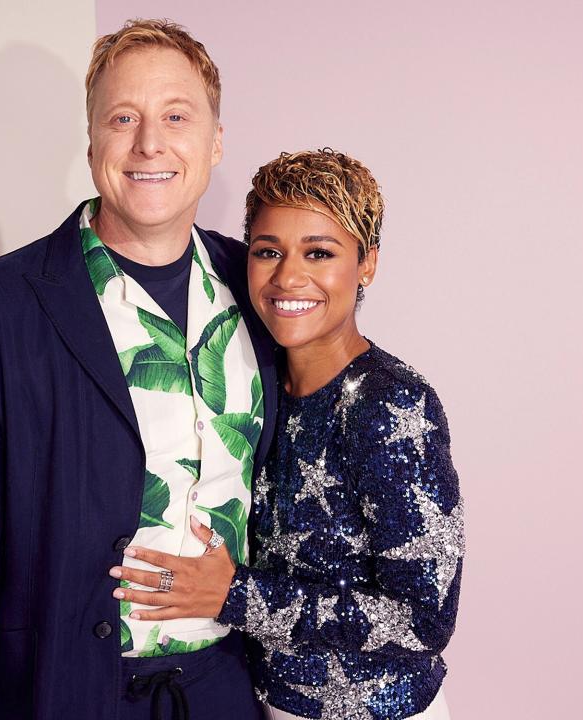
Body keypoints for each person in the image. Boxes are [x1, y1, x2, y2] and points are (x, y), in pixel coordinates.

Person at [0, 20, 278, 720]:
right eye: (123, 118)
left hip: (230, 692)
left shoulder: (260, 285)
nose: (150, 142)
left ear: (215, 142)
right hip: (68, 693)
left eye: (176, 116)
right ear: (91, 145)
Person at [108, 149, 464, 719]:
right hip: (270, 702)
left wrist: (235, 595)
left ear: (367, 264)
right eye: (268, 251)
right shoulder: (258, 380)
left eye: (319, 252)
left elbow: (424, 617)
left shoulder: (391, 403)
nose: (288, 277)